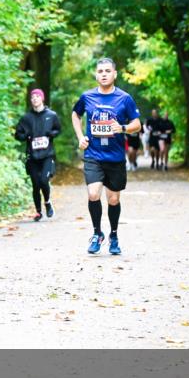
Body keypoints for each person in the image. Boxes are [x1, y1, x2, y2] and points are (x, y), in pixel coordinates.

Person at [71, 57, 142, 255]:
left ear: (114, 74)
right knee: (93, 194)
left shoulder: (124, 98)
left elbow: (137, 124)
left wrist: (123, 128)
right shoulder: (87, 97)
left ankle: (114, 235)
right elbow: (75, 115)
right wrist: (80, 137)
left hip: (115, 157)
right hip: (93, 155)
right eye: (100, 71)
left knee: (113, 200)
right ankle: (96, 233)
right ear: (96, 74)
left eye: (107, 71)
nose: (103, 74)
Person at [14, 88, 61, 221]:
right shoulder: (26, 118)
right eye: (32, 97)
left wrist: (51, 134)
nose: (34, 99)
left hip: (47, 155)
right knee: (35, 184)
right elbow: (18, 134)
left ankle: (47, 202)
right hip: (32, 156)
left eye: (37, 96)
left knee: (43, 181)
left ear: (42, 98)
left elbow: (58, 129)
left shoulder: (51, 115)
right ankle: (38, 212)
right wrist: (26, 136)